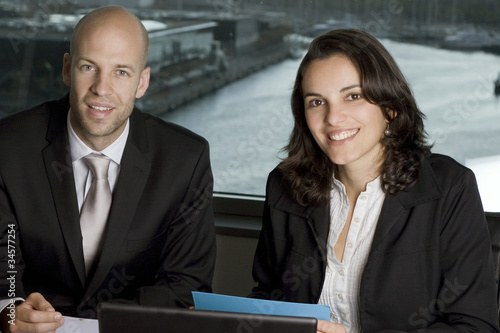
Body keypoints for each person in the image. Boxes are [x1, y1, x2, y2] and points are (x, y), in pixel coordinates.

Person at [250, 29, 499, 332]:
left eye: (352, 96)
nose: (333, 118)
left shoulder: (449, 188)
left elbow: (474, 326)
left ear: (391, 107)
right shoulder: (283, 185)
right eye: (317, 102)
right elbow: (266, 297)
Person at [0, 5, 216, 333]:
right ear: (67, 68)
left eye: (121, 72)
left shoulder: (186, 159)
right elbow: (5, 268)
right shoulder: (8, 146)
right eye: (89, 67)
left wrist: (105, 324)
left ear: (142, 82)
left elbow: (186, 282)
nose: (102, 88)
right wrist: (11, 309)